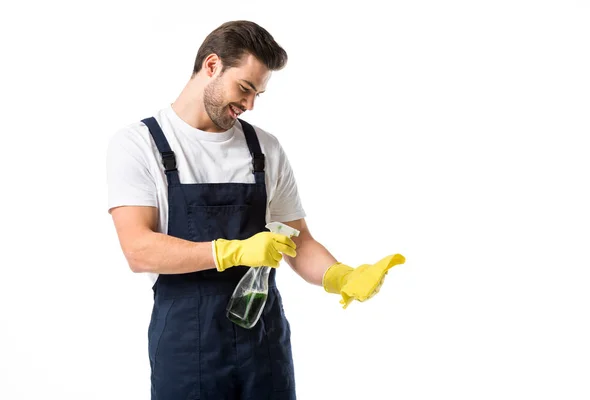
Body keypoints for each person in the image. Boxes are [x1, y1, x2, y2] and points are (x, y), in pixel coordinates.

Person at [106, 20, 405, 400]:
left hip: (263, 343)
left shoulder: (263, 148)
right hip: (186, 347)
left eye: (257, 95)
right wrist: (232, 251)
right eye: (245, 88)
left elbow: (300, 241)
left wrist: (340, 276)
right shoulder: (139, 144)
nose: (248, 104)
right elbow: (138, 249)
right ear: (211, 66)